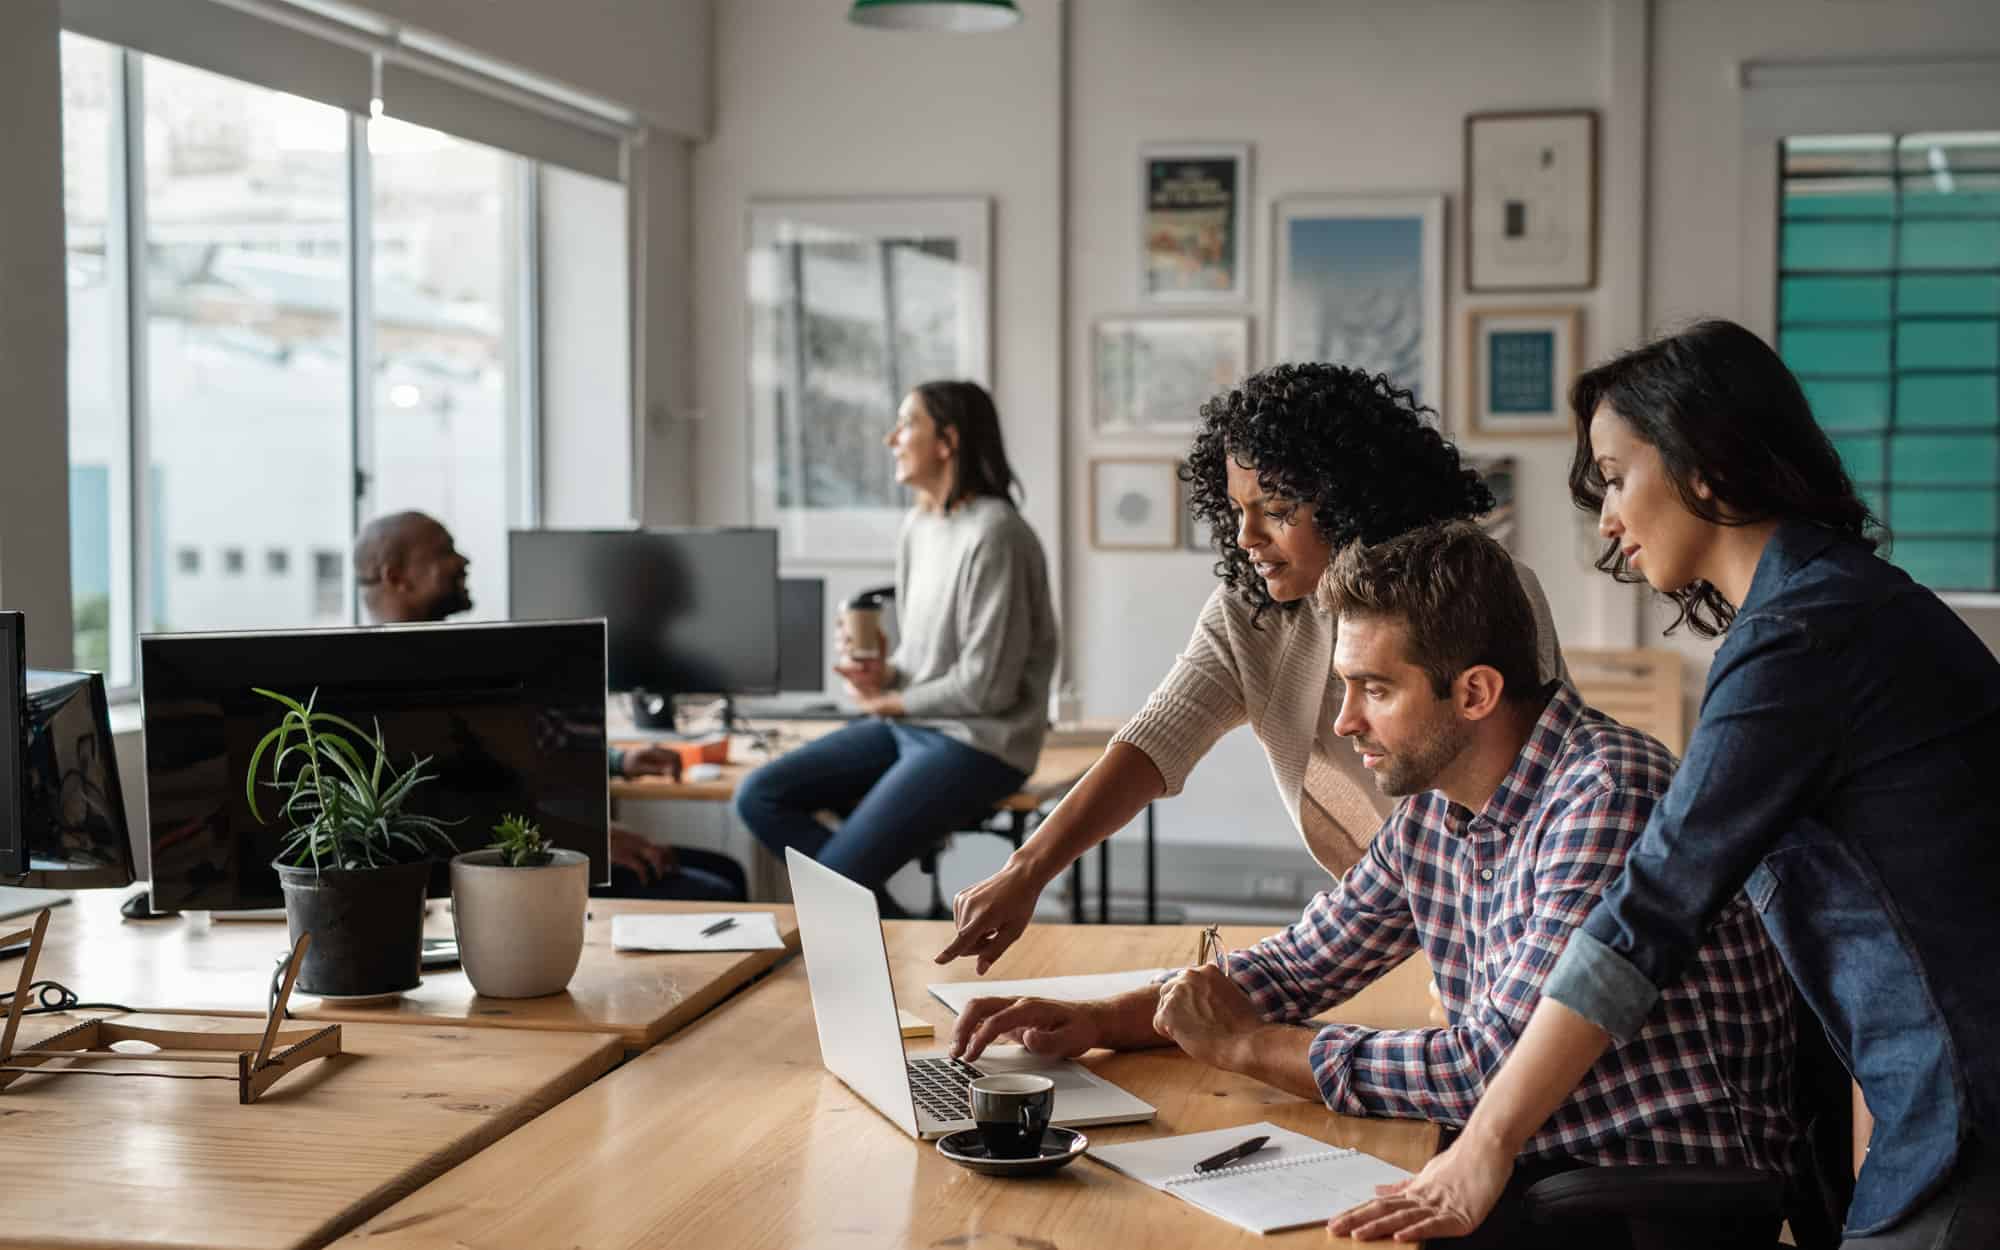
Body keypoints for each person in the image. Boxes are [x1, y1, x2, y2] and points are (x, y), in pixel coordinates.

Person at [1330, 320, 2000, 1249]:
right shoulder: (1834, 607)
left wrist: (1485, 1144)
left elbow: (1649, 909)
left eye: (1615, 475)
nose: (1606, 517)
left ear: (1704, 465)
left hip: (1971, 1105)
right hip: (1935, 1102)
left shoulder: (1803, 637)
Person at [952, 522, 1795, 1249]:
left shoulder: (1604, 795)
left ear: (1474, 692)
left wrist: (1249, 1048)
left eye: (1375, 689)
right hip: (1534, 1161)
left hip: (1636, 1193)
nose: (1346, 721)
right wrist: (1107, 1020)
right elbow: (1302, 964)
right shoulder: (1444, 800)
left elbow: (1486, 1068)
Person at [940, 363, 1568, 973]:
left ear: (1353, 497)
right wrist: (1026, 872)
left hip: (1513, 907)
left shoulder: (1477, 592)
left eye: (1275, 509)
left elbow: (1529, 788)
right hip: (1384, 913)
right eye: (1237, 509)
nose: (1245, 536)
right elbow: (1157, 739)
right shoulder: (1254, 610)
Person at [734, 380, 1058, 916]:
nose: (891, 438)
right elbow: (923, 663)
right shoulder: (919, 526)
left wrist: (892, 702)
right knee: (759, 795)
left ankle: (868, 922)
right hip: (913, 728)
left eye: (907, 423)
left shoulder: (997, 534)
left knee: (835, 880)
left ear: (947, 441)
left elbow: (988, 687)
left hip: (980, 744)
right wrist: (882, 675)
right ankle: (892, 926)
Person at [353, 510, 741, 899]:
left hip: (532, 841)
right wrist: (582, 842)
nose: (463, 561)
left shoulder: (445, 663)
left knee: (726, 870)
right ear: (395, 577)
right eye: (444, 552)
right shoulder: (387, 686)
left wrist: (620, 764)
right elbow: (453, 817)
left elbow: (517, 751)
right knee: (716, 890)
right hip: (496, 870)